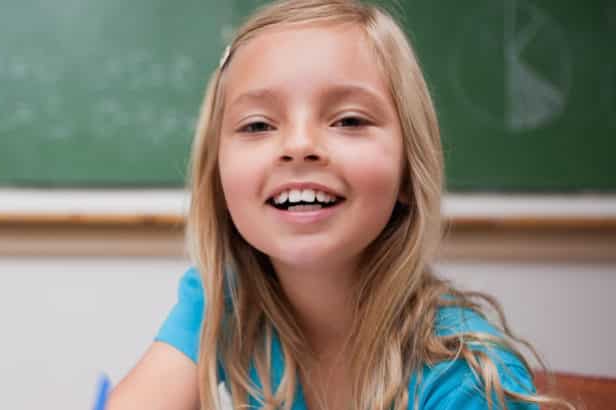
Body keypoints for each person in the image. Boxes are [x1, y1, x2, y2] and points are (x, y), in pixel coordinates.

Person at [107, 0, 572, 409]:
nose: (299, 145)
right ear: (219, 181)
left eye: (349, 119)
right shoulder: (229, 299)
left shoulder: (464, 379)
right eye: (257, 126)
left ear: (410, 172)